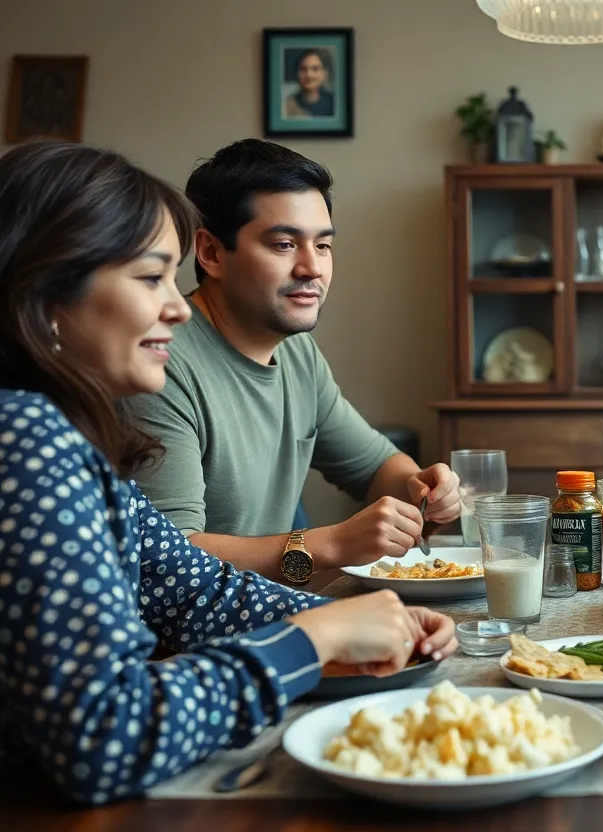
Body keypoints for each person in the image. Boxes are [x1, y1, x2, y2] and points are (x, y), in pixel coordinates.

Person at [0, 140, 457, 804]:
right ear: (47, 293)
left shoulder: (67, 434)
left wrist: (366, 619)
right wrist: (311, 638)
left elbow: (189, 589)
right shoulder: (27, 439)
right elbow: (102, 738)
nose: (178, 306)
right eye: (150, 278)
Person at [128, 139, 460, 590]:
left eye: (322, 245)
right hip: (196, 632)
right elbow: (170, 560)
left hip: (276, 611)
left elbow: (375, 467)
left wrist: (425, 489)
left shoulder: (296, 352)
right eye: (284, 244)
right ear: (211, 253)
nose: (312, 268)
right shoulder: (158, 363)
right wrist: (331, 543)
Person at [284, 48, 335, 118]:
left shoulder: (334, 104)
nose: (309, 75)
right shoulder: (287, 106)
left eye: (315, 69)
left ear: (325, 73)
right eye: (303, 69)